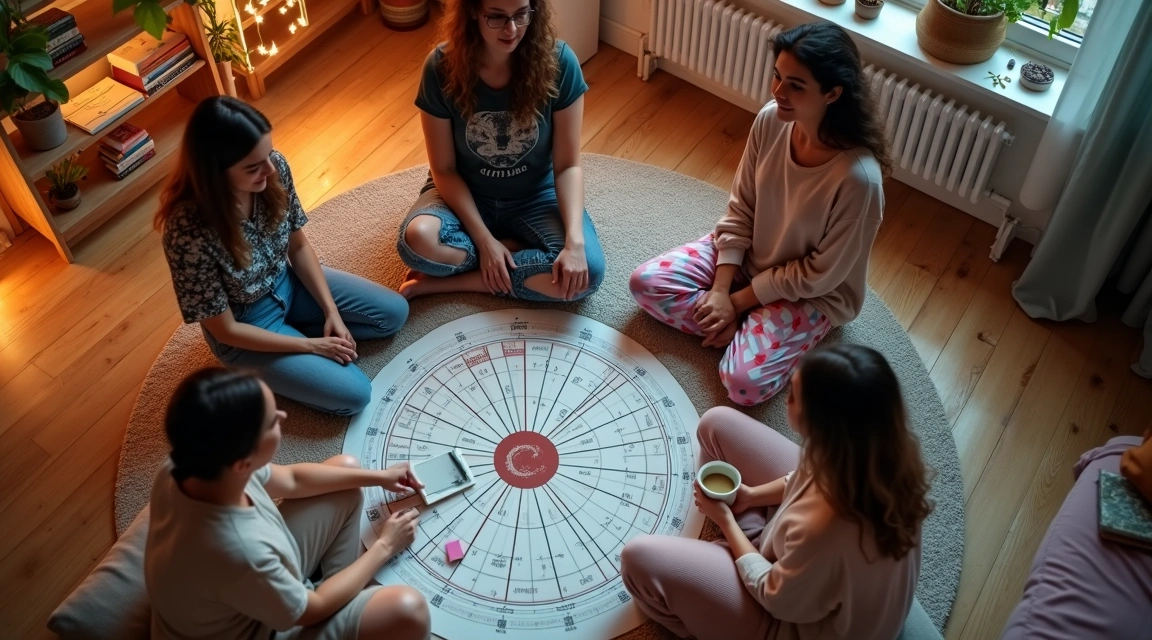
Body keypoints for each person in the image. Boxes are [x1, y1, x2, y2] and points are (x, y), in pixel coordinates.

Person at [629, 21, 889, 406]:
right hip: (748, 258)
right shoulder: (771, 119)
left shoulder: (859, 180)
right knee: (644, 284)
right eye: (777, 77)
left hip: (809, 294)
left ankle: (746, 329)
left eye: (795, 86)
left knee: (743, 385)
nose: (778, 92)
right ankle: (742, 330)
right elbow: (741, 207)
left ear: (833, 93)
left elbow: (819, 276)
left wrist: (736, 303)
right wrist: (720, 290)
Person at [621, 344, 931, 640]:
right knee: (715, 423)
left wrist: (726, 522)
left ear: (820, 426)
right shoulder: (877, 451)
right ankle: (751, 541)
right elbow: (805, 476)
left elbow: (774, 595)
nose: (785, 398)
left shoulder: (821, 529)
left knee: (638, 559)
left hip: (790, 622)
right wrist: (752, 496)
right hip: (803, 566)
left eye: (793, 395)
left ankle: (719, 596)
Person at [156, 96, 409, 416]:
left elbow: (298, 247)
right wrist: (312, 345)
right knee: (355, 396)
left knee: (394, 313)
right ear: (215, 172)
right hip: (246, 324)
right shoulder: (186, 230)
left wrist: (331, 311)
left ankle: (300, 337)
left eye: (269, 154)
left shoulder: (274, 167)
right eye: (253, 166)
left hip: (287, 282)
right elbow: (225, 330)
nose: (270, 168)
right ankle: (273, 357)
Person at [144, 367, 431, 640]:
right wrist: (385, 546)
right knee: (409, 610)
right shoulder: (241, 551)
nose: (283, 414)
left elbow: (292, 480)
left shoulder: (189, 465)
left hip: (247, 593)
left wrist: (379, 477)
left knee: (346, 474)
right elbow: (312, 609)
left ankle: (347, 589)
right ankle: (350, 594)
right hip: (258, 630)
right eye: (272, 421)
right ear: (243, 463)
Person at [396, 0, 606, 302]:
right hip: (466, 194)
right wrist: (484, 242)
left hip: (535, 195)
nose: (511, 29)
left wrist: (574, 242)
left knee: (587, 274)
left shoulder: (560, 62)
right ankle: (509, 246)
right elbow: (444, 169)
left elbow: (568, 166)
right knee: (418, 241)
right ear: (472, 11)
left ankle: (450, 282)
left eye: (521, 15)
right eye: (496, 17)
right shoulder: (439, 67)